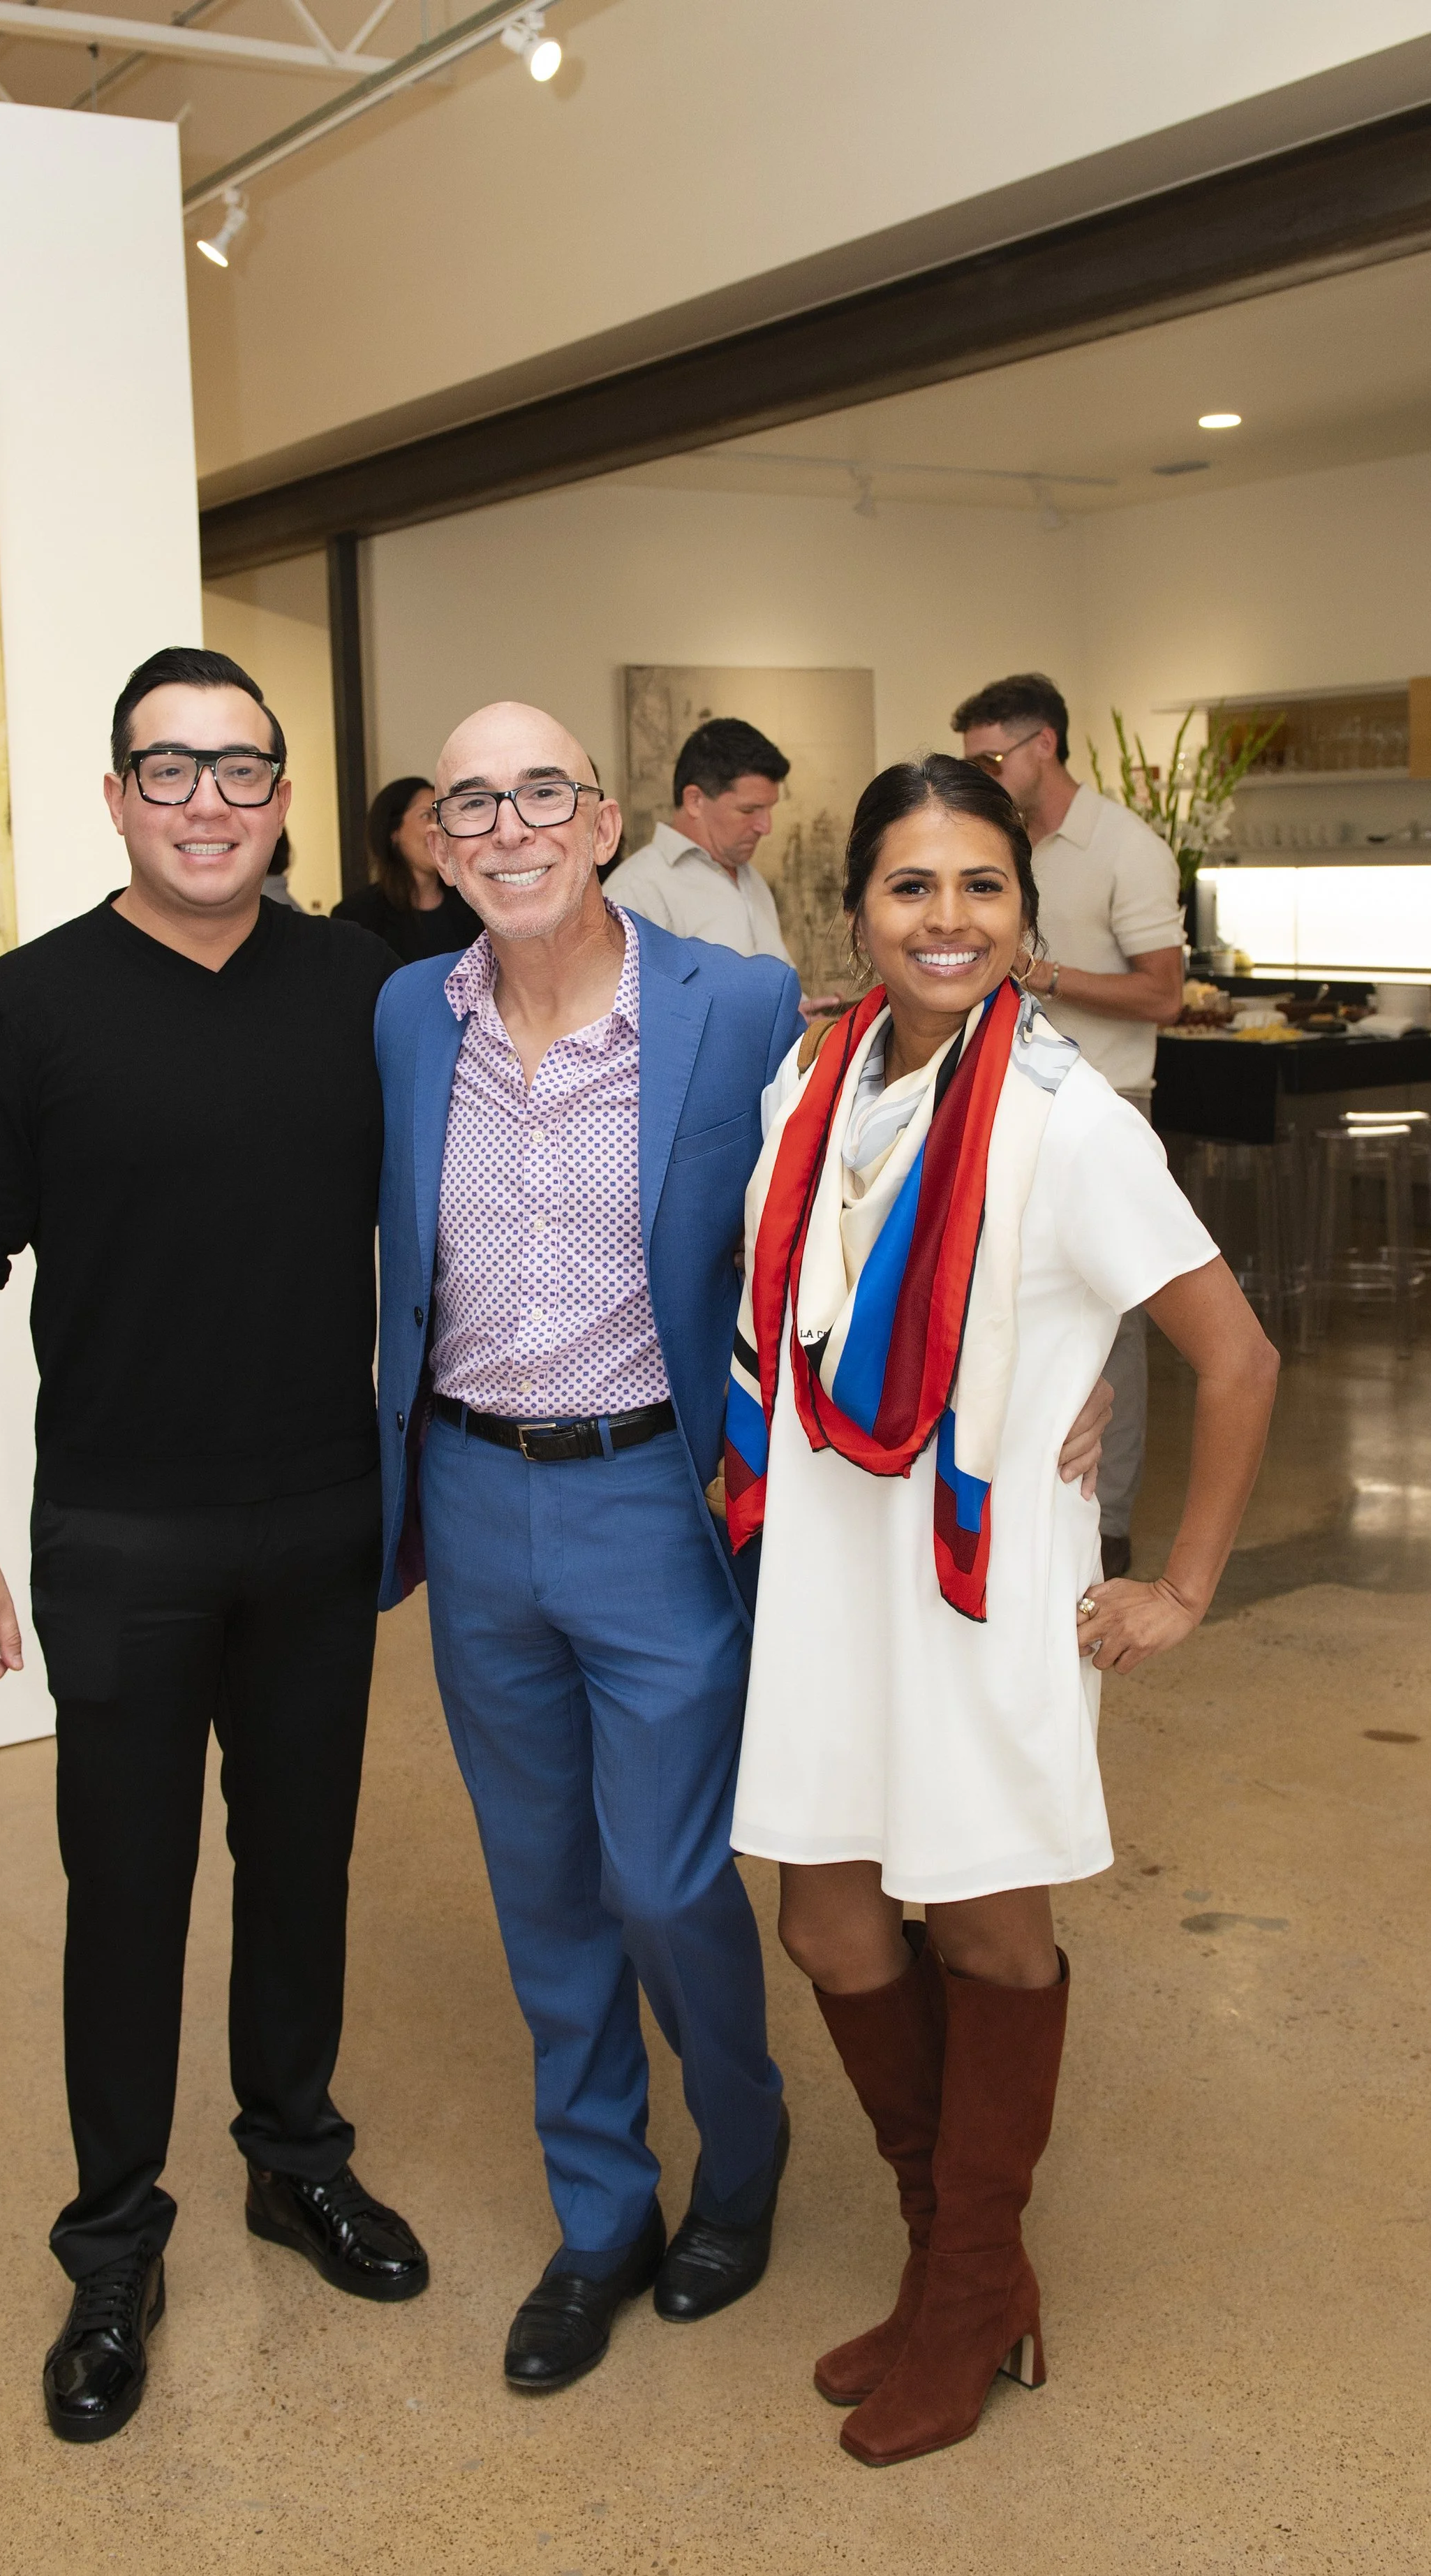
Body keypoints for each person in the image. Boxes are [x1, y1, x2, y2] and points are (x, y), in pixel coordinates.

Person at [372, 706, 1110, 2397]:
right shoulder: (409, 1013)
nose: (507, 827)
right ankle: (599, 2210)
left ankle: (743, 2146)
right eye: (472, 802)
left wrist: (1081, 1345)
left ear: (603, 819)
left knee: (666, 1873)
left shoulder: (737, 1007)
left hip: (660, 1491)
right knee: (540, 1878)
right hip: (470, 1485)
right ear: (436, 839)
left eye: (541, 793)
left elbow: (927, 1168)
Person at [0, 647, 428, 2450]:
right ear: (117, 796)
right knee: (125, 1894)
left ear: (283, 795)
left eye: (241, 767)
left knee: (301, 1864)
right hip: (120, 1530)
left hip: (321, 1510)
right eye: (170, 768)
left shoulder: (366, 991)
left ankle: (295, 2156)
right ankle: (114, 2239)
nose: (208, 800)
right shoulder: (25, 1009)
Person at [727, 756, 1277, 2468]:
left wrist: (1179, 1584)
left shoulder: (1069, 1119)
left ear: (1024, 916)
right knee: (828, 1923)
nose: (946, 917)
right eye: (911, 885)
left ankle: (965, 2288)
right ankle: (955, 2255)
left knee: (983, 1931)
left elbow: (1238, 1356)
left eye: (981, 885)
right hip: (829, 1578)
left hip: (974, 1591)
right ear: (856, 913)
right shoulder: (811, 1081)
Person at [951, 672, 1186, 1578]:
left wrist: (1039, 972)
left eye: (989, 758)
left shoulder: (1127, 846)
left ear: (1042, 744)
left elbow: (1162, 994)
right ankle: (1019, 1501)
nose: (981, 774)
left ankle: (1110, 1522)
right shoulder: (997, 843)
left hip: (1107, 1103)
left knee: (1112, 1319)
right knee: (1013, 1298)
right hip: (1006, 1096)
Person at [606, 716, 794, 964]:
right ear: (695, 801)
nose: (766, 827)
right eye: (749, 810)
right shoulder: (635, 892)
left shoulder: (752, 879)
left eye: (770, 809)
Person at [332, 772, 483, 963]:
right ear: (394, 832)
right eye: (426, 815)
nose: (437, 828)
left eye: (440, 816)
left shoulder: (473, 903)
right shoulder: (357, 916)